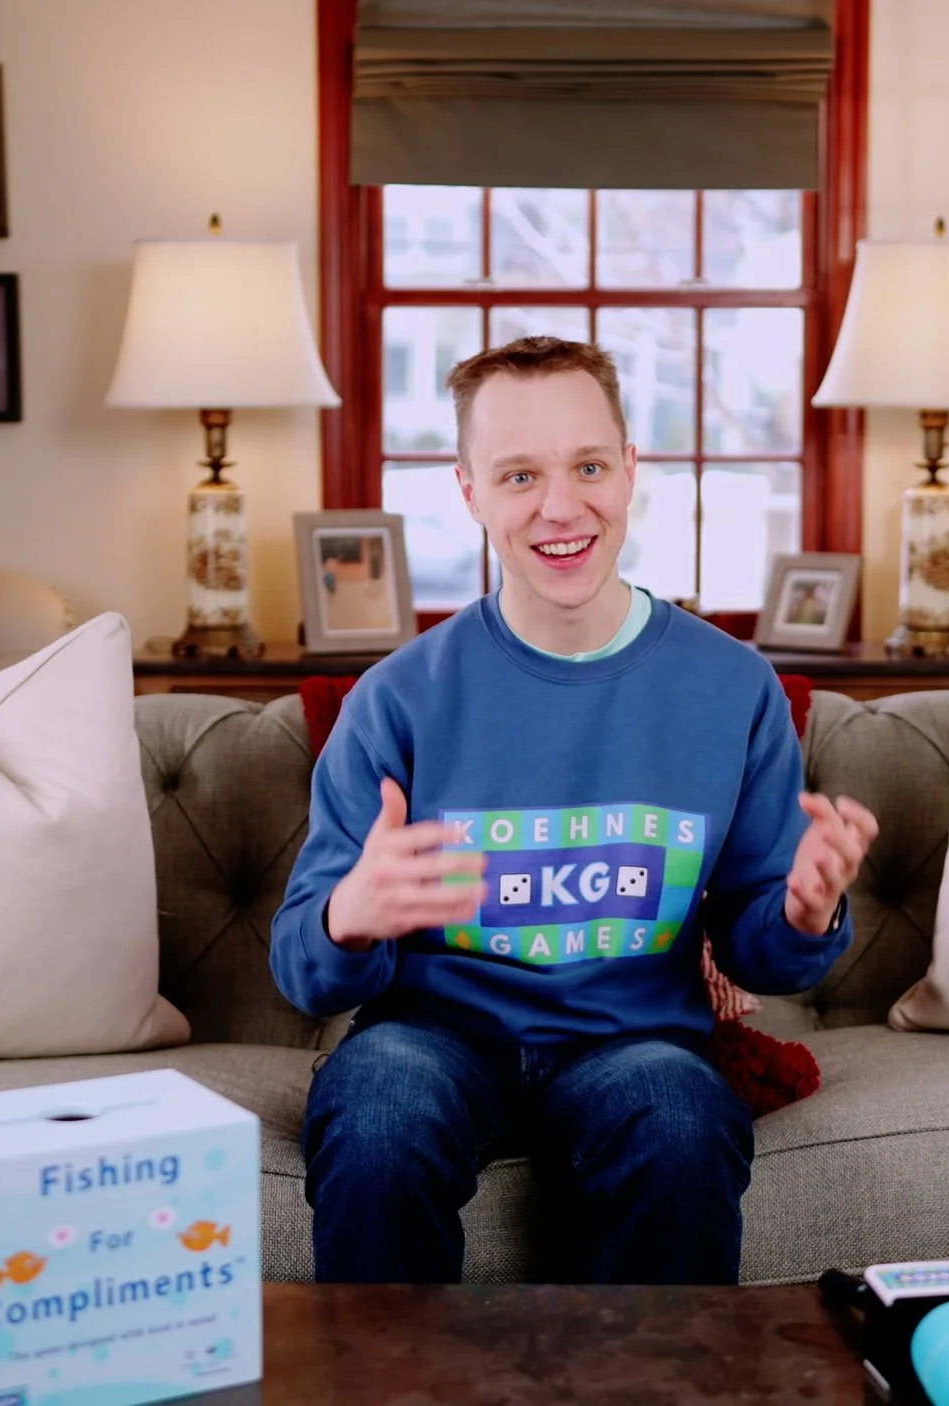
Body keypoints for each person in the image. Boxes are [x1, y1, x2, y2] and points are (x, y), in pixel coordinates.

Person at [271, 336, 876, 1286]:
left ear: (631, 469)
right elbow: (304, 970)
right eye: (519, 476)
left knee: (682, 1119)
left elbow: (762, 950)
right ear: (468, 489)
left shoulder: (730, 688)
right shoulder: (396, 699)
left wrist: (805, 911)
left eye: (589, 466)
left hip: (633, 1044)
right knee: (378, 1114)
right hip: (433, 1039)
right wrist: (351, 917)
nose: (561, 507)